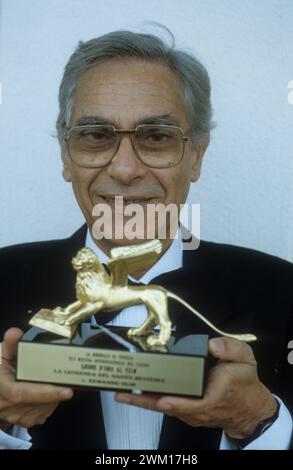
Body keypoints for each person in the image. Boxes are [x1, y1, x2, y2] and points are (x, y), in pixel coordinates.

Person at [0, 29, 292, 450]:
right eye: (96, 136)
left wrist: (258, 422)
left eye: (156, 137)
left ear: (197, 156)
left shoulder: (284, 292)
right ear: (66, 156)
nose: (123, 169)